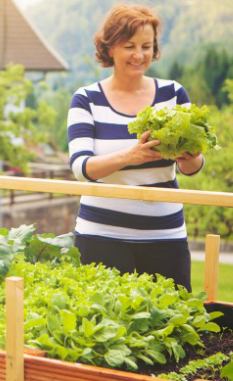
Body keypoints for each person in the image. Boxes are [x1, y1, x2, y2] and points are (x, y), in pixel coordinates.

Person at [67, 4, 204, 291]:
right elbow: (81, 169)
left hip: (165, 235)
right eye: (129, 46)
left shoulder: (173, 94)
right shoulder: (86, 99)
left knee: (173, 324)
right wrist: (132, 155)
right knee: (105, 328)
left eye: (146, 46)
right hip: (100, 235)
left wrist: (191, 158)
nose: (139, 55)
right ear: (110, 48)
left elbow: (192, 167)